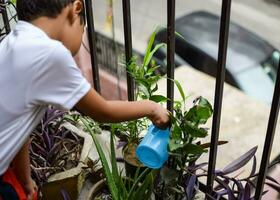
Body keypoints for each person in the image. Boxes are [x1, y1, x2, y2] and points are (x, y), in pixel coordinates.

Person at [0, 0, 170, 199]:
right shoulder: (50, 54)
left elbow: (21, 132)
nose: (80, 39)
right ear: (76, 9)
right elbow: (103, 111)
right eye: (83, 30)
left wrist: (26, 181)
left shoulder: (12, 42)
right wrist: (151, 108)